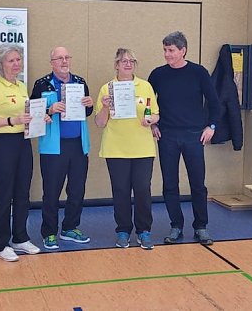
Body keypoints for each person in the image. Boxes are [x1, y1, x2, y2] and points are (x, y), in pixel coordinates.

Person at [148, 31, 220, 245]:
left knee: (198, 183)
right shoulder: (157, 75)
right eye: (165, 50)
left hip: (194, 136)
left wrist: (212, 126)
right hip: (167, 135)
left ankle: (201, 226)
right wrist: (153, 125)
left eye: (171, 50)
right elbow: (149, 103)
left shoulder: (198, 73)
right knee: (170, 184)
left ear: (183, 50)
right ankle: (176, 225)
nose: (167, 54)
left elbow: (215, 102)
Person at [0, 44, 46, 262]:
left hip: (22, 142)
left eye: (18, 60)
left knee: (22, 193)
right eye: (11, 60)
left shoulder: (21, 86)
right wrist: (11, 120)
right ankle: (1, 244)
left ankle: (20, 237)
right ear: (0, 64)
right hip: (1, 144)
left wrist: (39, 118)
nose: (16, 64)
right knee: (3, 195)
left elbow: (25, 115)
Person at [95, 48, 160, 249]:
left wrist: (151, 120)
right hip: (116, 148)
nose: (128, 64)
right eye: (123, 61)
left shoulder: (145, 86)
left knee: (142, 189)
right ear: (116, 64)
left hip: (142, 148)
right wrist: (105, 107)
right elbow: (99, 122)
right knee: (121, 190)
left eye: (132, 60)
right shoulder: (107, 89)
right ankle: (123, 230)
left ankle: (144, 231)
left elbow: (156, 114)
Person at [30, 47, 94, 250]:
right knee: (51, 191)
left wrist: (90, 103)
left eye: (67, 57)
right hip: (53, 147)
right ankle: (49, 232)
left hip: (78, 144)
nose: (64, 61)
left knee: (77, 189)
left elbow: (88, 110)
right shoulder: (42, 84)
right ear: (52, 62)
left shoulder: (80, 82)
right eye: (59, 58)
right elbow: (32, 112)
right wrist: (49, 109)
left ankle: (70, 227)